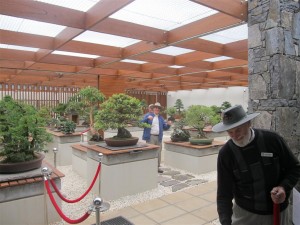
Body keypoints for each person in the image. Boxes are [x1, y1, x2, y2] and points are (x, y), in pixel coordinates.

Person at [212, 105, 300, 225]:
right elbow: (223, 195)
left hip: (278, 212)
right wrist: (226, 222)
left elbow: (295, 167)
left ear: (248, 123)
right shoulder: (226, 154)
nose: (235, 135)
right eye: (230, 131)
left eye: (238, 129)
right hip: (245, 215)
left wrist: (284, 187)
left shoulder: (272, 140)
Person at [141, 102, 171, 173]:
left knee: (158, 152)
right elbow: (141, 123)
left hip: (159, 137)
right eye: (156, 108)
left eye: (158, 108)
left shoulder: (161, 118)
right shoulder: (148, 115)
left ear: (159, 110)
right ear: (153, 108)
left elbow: (165, 127)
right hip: (150, 137)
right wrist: (147, 119)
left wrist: (168, 125)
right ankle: (149, 167)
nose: (157, 109)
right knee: (150, 152)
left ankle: (157, 167)